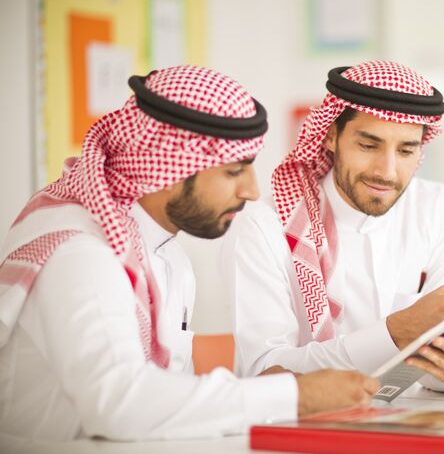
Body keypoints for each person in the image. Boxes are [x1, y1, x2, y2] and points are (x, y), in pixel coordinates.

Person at [0, 66, 378, 442]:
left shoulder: (166, 254)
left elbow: (167, 397)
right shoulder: (83, 255)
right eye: (234, 172)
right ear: (166, 168)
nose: (250, 191)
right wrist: (297, 396)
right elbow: (118, 404)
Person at [222, 60, 444, 391]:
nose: (387, 171)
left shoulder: (442, 209)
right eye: (369, 146)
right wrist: (395, 333)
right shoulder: (266, 226)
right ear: (330, 136)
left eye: (407, 150)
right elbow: (264, 371)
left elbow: (439, 361)